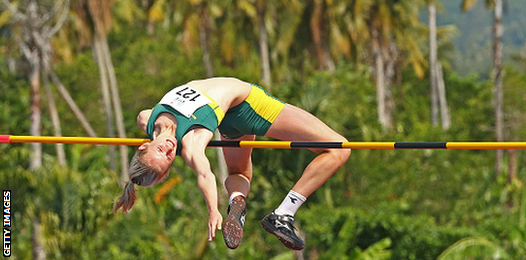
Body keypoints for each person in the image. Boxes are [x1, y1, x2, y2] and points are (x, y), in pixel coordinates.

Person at [113, 77, 350, 250]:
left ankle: (237, 198)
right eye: (168, 158)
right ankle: (283, 214)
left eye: (159, 149)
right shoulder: (191, 141)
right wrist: (213, 209)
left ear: (143, 144)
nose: (168, 148)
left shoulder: (148, 118)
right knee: (340, 149)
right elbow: (205, 174)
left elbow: (143, 116)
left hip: (226, 120)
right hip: (250, 107)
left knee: (240, 172)